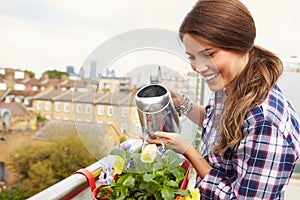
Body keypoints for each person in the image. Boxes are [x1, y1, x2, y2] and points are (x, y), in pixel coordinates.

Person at [147, 0, 300, 199]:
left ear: (240, 45)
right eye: (192, 57)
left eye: (209, 54)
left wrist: (189, 151)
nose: (199, 67)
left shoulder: (266, 124)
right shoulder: (230, 83)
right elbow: (219, 125)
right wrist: (181, 103)